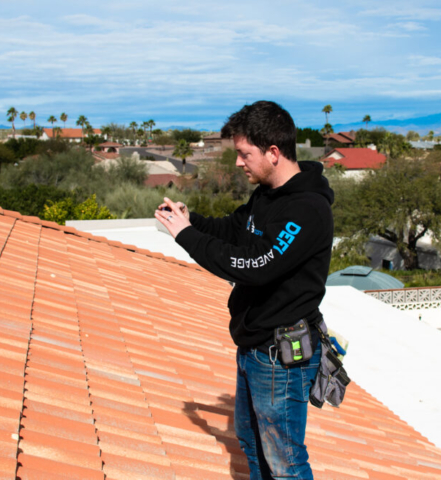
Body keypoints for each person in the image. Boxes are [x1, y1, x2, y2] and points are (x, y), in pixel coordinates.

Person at [155, 100, 334, 479]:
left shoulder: (307, 209)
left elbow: (256, 266)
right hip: (254, 347)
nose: (239, 163)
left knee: (285, 461)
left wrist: (186, 237)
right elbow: (234, 230)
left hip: (280, 356)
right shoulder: (267, 194)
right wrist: (189, 220)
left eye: (244, 154)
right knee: (253, 444)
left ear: (273, 152)